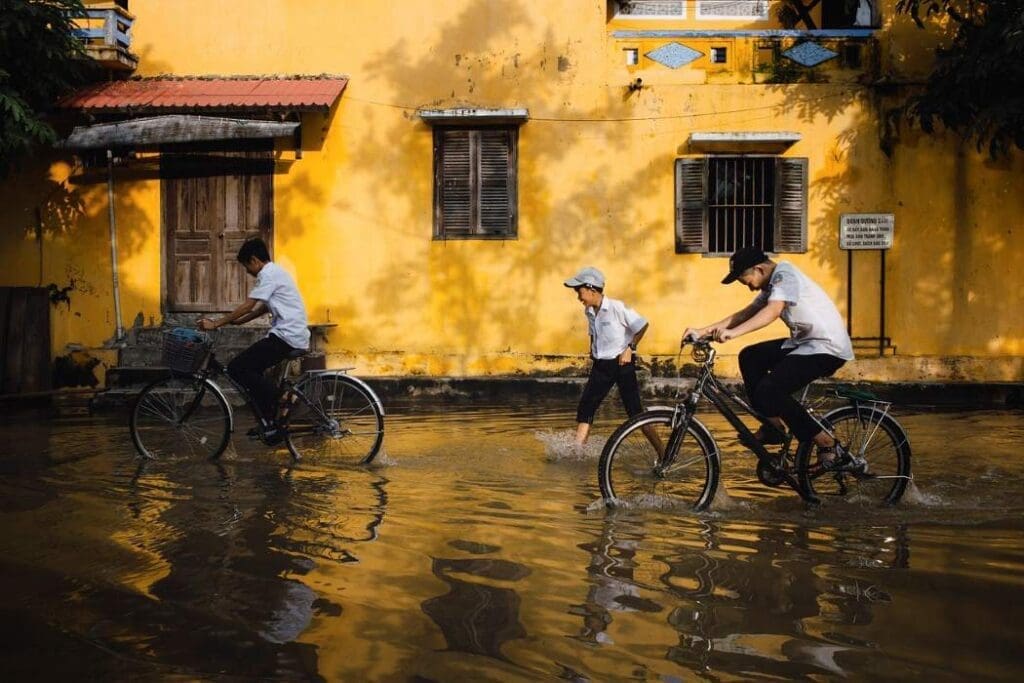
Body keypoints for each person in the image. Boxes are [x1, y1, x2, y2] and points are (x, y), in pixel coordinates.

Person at [682, 246, 855, 472]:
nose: (749, 288)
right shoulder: (772, 283)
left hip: (827, 347)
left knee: (770, 390)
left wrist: (733, 334)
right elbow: (746, 314)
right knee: (750, 357)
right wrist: (703, 331)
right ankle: (773, 426)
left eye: (747, 281)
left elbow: (773, 311)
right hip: (805, 344)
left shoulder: (785, 275)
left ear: (759, 269)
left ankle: (827, 444)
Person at [198, 237, 309, 444]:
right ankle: (269, 422)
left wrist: (217, 323)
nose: (248, 271)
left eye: (247, 266)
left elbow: (249, 305)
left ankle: (284, 398)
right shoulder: (277, 272)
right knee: (253, 372)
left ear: (254, 260)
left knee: (236, 368)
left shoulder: (267, 274)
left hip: (286, 336)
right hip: (291, 334)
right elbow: (265, 307)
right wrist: (240, 322)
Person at [564, 267, 650, 446]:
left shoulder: (617, 307)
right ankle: (577, 452)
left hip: (621, 364)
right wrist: (592, 350)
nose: (578, 297)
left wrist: (630, 348)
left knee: (635, 413)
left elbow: (642, 325)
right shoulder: (588, 311)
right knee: (586, 408)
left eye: (580, 292)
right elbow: (593, 333)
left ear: (592, 289)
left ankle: (663, 453)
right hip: (601, 366)